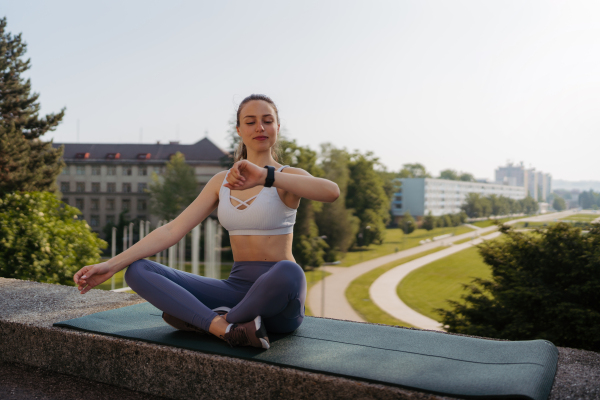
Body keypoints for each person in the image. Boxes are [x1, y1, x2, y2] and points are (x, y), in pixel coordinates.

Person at [73, 94, 340, 349]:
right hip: (236, 289)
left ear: (277, 127)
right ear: (239, 129)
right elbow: (172, 230)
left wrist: (265, 177)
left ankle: (206, 319)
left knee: (289, 271)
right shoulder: (221, 182)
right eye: (250, 121)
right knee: (138, 270)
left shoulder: (286, 176)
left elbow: (331, 192)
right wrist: (110, 265)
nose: (260, 127)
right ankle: (222, 328)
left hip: (280, 299)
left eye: (267, 120)